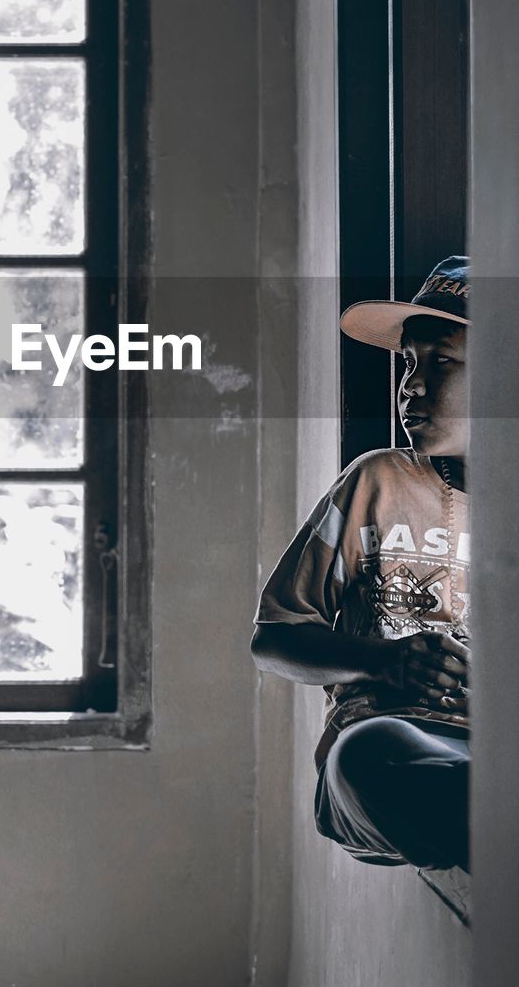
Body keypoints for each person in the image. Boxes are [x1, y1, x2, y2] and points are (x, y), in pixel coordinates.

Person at [251, 256, 472, 873]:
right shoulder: (377, 482)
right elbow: (273, 639)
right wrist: (386, 660)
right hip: (389, 754)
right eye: (410, 362)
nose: (412, 384)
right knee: (374, 749)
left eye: (442, 362)